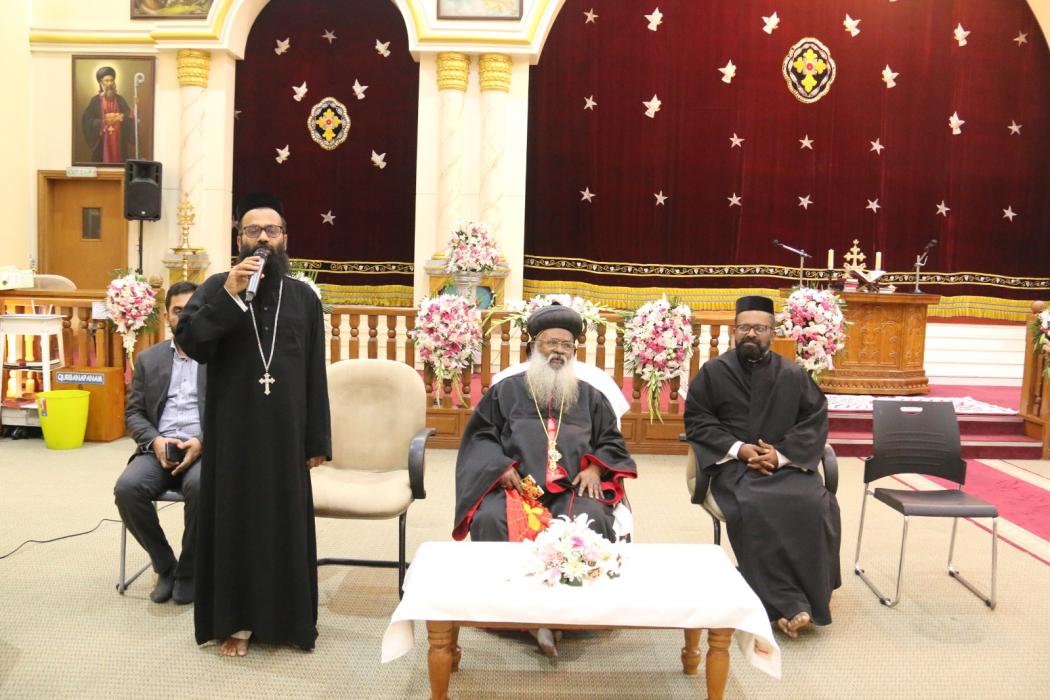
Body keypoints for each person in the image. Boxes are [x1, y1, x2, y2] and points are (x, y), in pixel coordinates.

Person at [175, 192, 331, 657]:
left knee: (283, 524)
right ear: (239, 238)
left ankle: (286, 621)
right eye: (253, 230)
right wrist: (228, 295)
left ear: (285, 238)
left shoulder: (303, 297)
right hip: (234, 431)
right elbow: (192, 343)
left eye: (272, 230)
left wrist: (317, 438)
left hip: (286, 434)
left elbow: (315, 372)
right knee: (237, 522)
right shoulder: (215, 287)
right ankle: (236, 621)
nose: (263, 238)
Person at [454, 302, 637, 656]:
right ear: (533, 346)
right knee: (491, 517)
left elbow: (611, 441)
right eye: (551, 343)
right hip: (517, 487)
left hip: (573, 486)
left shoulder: (591, 395)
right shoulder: (506, 391)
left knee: (592, 519)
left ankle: (569, 610)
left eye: (566, 345)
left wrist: (595, 469)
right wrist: (499, 466)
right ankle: (514, 612)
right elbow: (480, 437)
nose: (559, 351)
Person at [684, 295, 841, 639]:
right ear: (734, 331)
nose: (751, 334)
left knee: (816, 503)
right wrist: (739, 450)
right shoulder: (714, 372)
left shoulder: (792, 374)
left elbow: (814, 420)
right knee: (754, 505)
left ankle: (810, 597)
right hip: (734, 467)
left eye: (759, 328)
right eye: (744, 328)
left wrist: (780, 455)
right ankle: (784, 604)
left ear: (772, 333)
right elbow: (698, 421)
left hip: (786, 464)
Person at [114, 280, 203, 605]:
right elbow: (134, 413)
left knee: (203, 486)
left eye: (192, 310)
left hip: (203, 451)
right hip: (158, 449)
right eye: (178, 311)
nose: (185, 316)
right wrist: (154, 441)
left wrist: (202, 442)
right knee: (127, 489)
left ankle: (190, 572)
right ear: (167, 316)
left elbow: (232, 414)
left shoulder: (220, 358)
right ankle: (166, 566)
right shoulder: (148, 359)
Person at [80, 66, 134, 163]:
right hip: (102, 141)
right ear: (101, 82)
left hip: (118, 140)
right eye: (107, 81)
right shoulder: (95, 101)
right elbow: (87, 120)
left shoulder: (120, 99)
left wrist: (122, 117)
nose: (110, 83)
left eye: (111, 80)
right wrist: (103, 122)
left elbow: (129, 116)